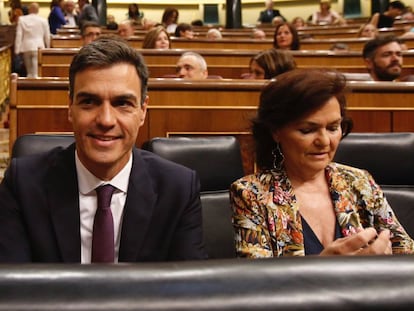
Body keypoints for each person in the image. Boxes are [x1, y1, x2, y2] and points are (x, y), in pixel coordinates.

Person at [0, 36, 207, 263]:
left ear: (142, 111)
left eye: (122, 103)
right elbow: (14, 290)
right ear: (70, 108)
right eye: (89, 102)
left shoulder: (178, 188)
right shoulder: (23, 183)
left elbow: (189, 292)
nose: (106, 120)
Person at [230, 68, 414, 258]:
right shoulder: (251, 193)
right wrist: (324, 267)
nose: (325, 141)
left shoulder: (359, 181)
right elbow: (256, 279)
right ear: (276, 131)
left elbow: (406, 251)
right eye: (307, 130)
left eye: (333, 128)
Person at [14, 2, 50, 78]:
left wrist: (17, 50)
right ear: (38, 10)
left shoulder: (22, 19)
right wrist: (48, 47)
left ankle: (29, 84)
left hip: (26, 46)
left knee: (29, 73)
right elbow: (47, 36)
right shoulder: (43, 20)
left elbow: (19, 35)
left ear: (29, 9)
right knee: (37, 72)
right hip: (39, 46)